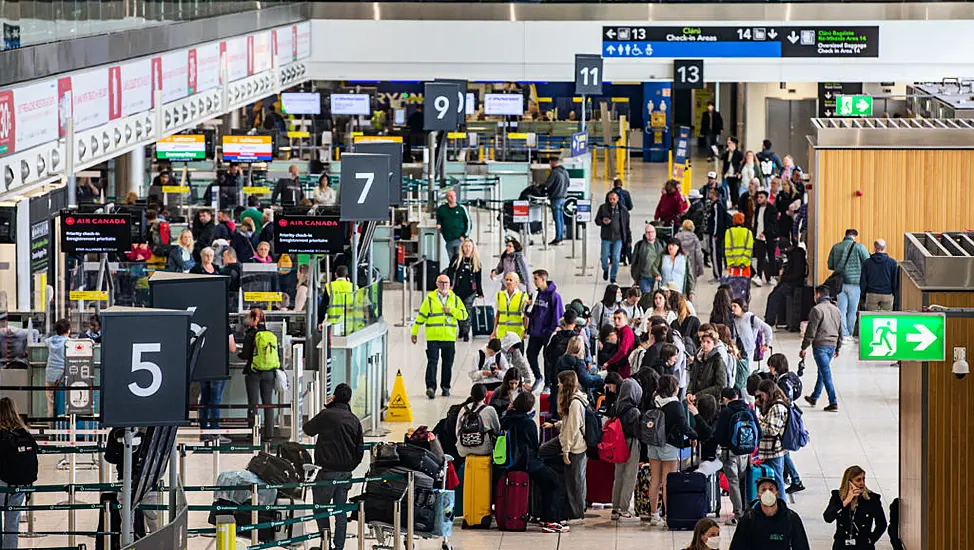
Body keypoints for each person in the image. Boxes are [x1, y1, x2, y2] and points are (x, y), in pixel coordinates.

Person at [303, 384, 364, 550]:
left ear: (334, 397)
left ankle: (325, 543)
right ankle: (338, 547)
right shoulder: (354, 420)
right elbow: (360, 451)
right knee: (340, 512)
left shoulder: (326, 415)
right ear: (349, 399)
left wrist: (328, 407)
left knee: (320, 507)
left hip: (327, 472)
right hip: (345, 473)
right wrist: (349, 466)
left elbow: (307, 429)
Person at [502, 392, 570, 533]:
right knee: (554, 481)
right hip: (527, 462)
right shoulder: (528, 423)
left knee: (548, 481)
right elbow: (534, 445)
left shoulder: (506, 419)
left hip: (510, 462)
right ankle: (551, 520)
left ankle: (546, 517)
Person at [645, 374, 697, 525]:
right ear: (674, 388)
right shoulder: (675, 405)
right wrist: (695, 434)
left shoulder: (654, 401)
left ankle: (654, 514)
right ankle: (669, 514)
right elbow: (683, 426)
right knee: (668, 482)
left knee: (655, 480)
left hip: (653, 443)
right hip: (669, 445)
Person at [542, 371, 589, 524]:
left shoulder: (575, 403)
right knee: (543, 450)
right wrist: (555, 425)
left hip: (575, 447)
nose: (558, 385)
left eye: (560, 382)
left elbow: (572, 429)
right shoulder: (573, 400)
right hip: (569, 441)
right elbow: (568, 424)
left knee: (574, 482)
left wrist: (566, 451)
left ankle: (577, 515)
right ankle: (574, 511)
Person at [412, 274, 468, 399]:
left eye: (446, 283)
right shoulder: (430, 299)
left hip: (449, 337)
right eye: (441, 282)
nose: (444, 285)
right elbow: (421, 316)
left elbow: (464, 315)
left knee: (448, 364)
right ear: (437, 284)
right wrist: (414, 332)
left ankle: (445, 387)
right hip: (433, 337)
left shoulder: (455, 299)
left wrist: (452, 310)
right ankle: (430, 387)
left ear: (450, 284)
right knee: (432, 362)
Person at [714, 386, 760, 524]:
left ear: (725, 399)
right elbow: (759, 432)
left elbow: (719, 435)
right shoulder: (749, 409)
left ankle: (738, 514)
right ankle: (747, 511)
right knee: (743, 481)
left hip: (730, 453)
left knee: (733, 483)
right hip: (746, 453)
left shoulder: (726, 412)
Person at [730, 476, 811, 550]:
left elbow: (802, 546)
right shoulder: (749, 519)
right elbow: (737, 546)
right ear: (758, 495)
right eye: (763, 490)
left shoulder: (791, 518)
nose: (767, 492)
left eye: (771, 489)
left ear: (777, 494)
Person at [604, 373, 642, 521]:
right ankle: (625, 508)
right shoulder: (634, 411)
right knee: (630, 475)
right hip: (631, 443)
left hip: (617, 443)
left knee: (618, 475)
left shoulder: (616, 406)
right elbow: (637, 431)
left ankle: (615, 507)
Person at [238, 308, 280, 442]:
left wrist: (240, 355)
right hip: (270, 373)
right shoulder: (270, 334)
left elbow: (245, 354)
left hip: (254, 373)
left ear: (253, 319)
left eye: (249, 317)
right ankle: (269, 434)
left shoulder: (250, 334)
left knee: (253, 404)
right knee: (268, 403)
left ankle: (253, 433)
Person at [0, 397, 37, 549]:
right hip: (21, 483)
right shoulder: (24, 433)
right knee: (12, 521)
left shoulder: (2, 435)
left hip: (3, 481)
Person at [823, 465, 888, 550]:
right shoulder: (837, 497)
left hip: (863, 545)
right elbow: (828, 518)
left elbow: (882, 524)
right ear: (849, 482)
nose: (862, 483)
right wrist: (846, 501)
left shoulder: (872, 499)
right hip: (842, 545)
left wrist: (871, 539)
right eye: (858, 480)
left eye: (863, 479)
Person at [766, 354, 805, 494]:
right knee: (785, 451)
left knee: (784, 451)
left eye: (770, 365)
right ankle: (794, 479)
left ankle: (795, 479)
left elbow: (785, 399)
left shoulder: (783, 382)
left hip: (785, 420)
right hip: (790, 416)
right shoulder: (791, 376)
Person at [802, 284, 843, 412]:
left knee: (825, 373)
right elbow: (840, 330)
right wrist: (838, 347)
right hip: (832, 345)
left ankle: (833, 402)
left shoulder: (816, 310)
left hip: (821, 346)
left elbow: (811, 331)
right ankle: (814, 397)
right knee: (822, 371)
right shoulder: (836, 309)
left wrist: (804, 347)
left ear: (818, 294)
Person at [526, 269, 564, 390]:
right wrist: (528, 306)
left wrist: (551, 331)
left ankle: (547, 384)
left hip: (547, 333)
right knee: (530, 354)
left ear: (543, 279)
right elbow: (530, 313)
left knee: (547, 359)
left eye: (536, 279)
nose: (534, 282)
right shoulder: (535, 295)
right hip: (535, 332)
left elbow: (558, 316)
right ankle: (538, 377)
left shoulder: (554, 296)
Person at [828, 229, 870, 339]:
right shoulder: (859, 247)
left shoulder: (836, 247)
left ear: (845, 235)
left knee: (841, 310)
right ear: (855, 236)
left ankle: (843, 334)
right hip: (855, 284)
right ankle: (849, 334)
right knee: (852, 311)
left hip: (840, 283)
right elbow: (867, 262)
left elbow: (830, 265)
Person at [754, 380, 790, 497]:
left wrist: (759, 423)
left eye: (762, 394)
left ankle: (783, 507)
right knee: (772, 481)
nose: (761, 397)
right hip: (769, 450)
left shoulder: (777, 407)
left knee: (778, 482)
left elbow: (773, 430)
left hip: (774, 450)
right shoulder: (773, 405)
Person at [445, 239, 484, 342]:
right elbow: (450, 272)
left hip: (470, 290)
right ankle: (461, 328)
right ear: (462, 247)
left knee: (468, 310)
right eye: (465, 246)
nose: (467, 249)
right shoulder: (456, 259)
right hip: (457, 290)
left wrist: (480, 292)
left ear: (472, 248)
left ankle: (466, 331)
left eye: (469, 246)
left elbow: (478, 278)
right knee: (458, 311)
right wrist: (448, 286)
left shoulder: (476, 261)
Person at [765, 240, 807, 330]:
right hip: (789, 282)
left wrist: (783, 278)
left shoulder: (796, 256)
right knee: (773, 295)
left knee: (774, 297)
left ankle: (769, 321)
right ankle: (770, 319)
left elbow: (796, 274)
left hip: (792, 284)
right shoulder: (795, 255)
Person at [456, 383, 501, 456]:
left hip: (462, 449)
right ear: (486, 395)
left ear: (471, 395)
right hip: (484, 449)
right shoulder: (490, 410)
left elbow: (457, 431)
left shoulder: (463, 409)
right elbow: (497, 429)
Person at [596, 190, 630, 283]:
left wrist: (628, 238)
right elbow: (597, 220)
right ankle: (605, 269)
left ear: (618, 199)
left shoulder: (623, 210)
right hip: (606, 237)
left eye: (614, 199)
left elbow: (626, 225)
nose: (612, 201)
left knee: (616, 257)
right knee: (604, 257)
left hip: (618, 238)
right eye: (610, 199)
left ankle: (613, 276)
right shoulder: (603, 208)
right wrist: (603, 221)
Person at [731, 298, 772, 372]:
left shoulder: (750, 318)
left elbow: (767, 328)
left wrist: (766, 344)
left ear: (741, 306)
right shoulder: (734, 319)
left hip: (748, 350)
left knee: (746, 371)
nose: (732, 308)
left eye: (735, 306)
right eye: (732, 306)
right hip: (737, 350)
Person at [688, 330, 727, 402]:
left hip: (710, 402)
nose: (705, 344)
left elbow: (719, 386)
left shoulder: (717, 360)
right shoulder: (698, 358)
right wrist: (689, 392)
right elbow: (692, 379)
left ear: (714, 344)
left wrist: (698, 395)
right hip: (695, 400)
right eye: (703, 341)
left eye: (708, 342)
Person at [860, 238, 898, 312]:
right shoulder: (892, 262)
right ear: (885, 248)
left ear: (874, 248)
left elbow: (863, 280)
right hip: (887, 294)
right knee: (886, 318)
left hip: (872, 293)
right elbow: (894, 281)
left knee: (872, 318)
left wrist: (863, 295)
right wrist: (894, 293)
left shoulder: (867, 263)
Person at [491, 272, 529, 343]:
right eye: (506, 280)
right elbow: (498, 315)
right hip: (502, 334)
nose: (508, 282)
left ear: (517, 283)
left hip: (516, 334)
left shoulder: (522, 296)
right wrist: (494, 331)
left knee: (517, 354)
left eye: (510, 280)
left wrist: (525, 331)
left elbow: (526, 316)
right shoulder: (500, 295)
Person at [752, 190, 779, 286]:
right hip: (758, 237)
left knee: (771, 257)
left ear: (766, 198)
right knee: (760, 257)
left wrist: (765, 232)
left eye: (761, 197)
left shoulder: (772, 209)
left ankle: (772, 276)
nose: (759, 199)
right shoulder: (757, 208)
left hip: (769, 237)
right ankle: (759, 276)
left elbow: (773, 223)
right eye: (758, 197)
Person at [45, 319, 70, 421]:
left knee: (51, 402)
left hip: (50, 375)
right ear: (68, 330)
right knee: (62, 403)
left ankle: (51, 429)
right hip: (62, 377)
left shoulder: (50, 341)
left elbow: (45, 341)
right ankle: (61, 429)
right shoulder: (69, 342)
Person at [435, 189, 471, 261]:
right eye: (450, 196)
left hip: (460, 240)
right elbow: (438, 218)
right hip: (448, 240)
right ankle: (453, 272)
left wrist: (464, 236)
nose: (452, 197)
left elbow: (469, 223)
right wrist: (438, 223)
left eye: (454, 195)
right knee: (452, 261)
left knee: (460, 260)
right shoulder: (442, 209)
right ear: (447, 198)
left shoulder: (461, 208)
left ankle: (460, 272)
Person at [704, 186, 729, 281]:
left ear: (714, 195)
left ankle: (718, 275)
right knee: (716, 254)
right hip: (716, 235)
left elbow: (717, 221)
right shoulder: (716, 204)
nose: (709, 194)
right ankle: (717, 274)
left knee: (715, 255)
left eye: (711, 192)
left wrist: (715, 234)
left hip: (716, 236)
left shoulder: (716, 205)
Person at [632, 224, 665, 292]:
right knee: (646, 297)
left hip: (658, 277)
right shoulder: (639, 245)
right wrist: (635, 277)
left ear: (655, 233)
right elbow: (634, 262)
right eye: (648, 232)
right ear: (645, 234)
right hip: (644, 277)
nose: (650, 234)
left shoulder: (662, 244)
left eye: (652, 232)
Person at [545, 157, 570, 245]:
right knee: (561, 218)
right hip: (563, 198)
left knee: (557, 219)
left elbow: (548, 185)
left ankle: (558, 238)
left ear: (553, 162)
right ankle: (561, 236)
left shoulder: (554, 172)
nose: (550, 165)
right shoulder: (565, 172)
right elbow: (568, 184)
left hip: (555, 198)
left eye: (550, 163)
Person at [603, 310, 636, 376]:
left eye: (619, 318)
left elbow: (623, 351)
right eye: (615, 318)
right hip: (621, 366)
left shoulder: (627, 332)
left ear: (626, 319)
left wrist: (609, 362)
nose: (616, 321)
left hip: (626, 367)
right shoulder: (620, 331)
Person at [725, 213, 754, 279]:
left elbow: (727, 249)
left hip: (733, 266)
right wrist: (743, 263)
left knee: (733, 285)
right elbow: (749, 249)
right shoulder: (748, 232)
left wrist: (731, 262)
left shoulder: (729, 232)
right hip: (745, 267)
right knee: (744, 285)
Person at [721, 136, 744, 201]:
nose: (728, 144)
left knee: (735, 189)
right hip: (728, 174)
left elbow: (741, 164)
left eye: (729, 143)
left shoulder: (739, 154)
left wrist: (739, 172)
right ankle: (733, 202)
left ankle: (737, 203)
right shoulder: (727, 153)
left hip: (735, 174)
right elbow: (721, 157)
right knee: (730, 190)